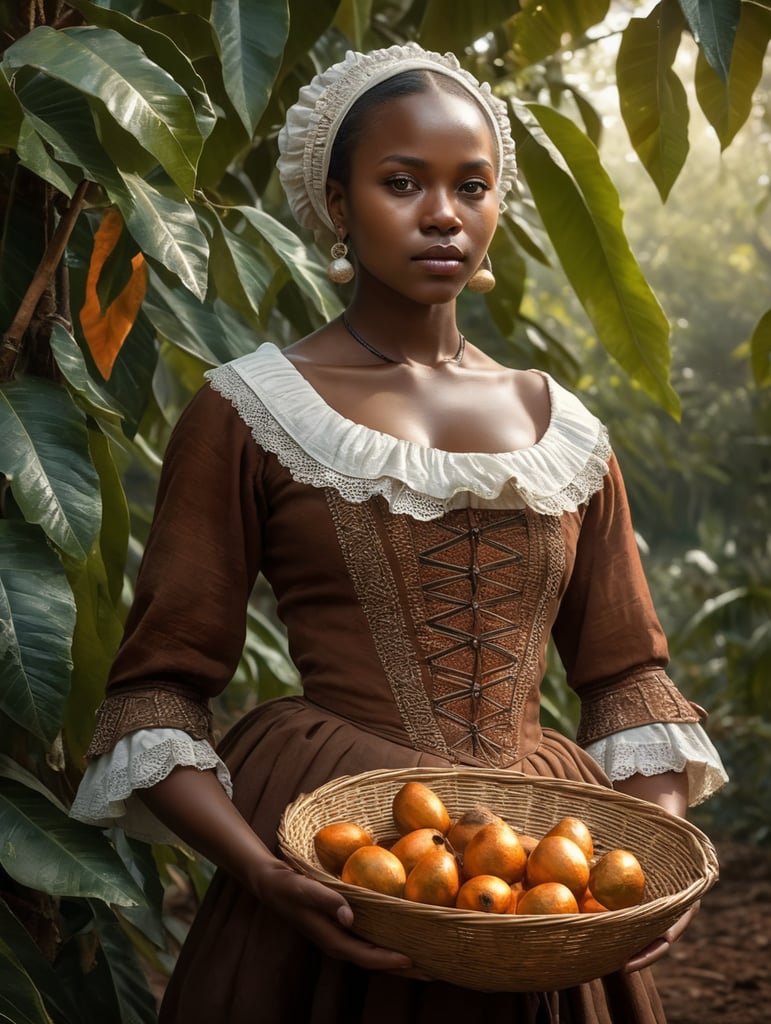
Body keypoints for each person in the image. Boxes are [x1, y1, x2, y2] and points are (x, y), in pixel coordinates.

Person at [71, 42, 728, 1023]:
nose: (443, 214)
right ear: (338, 205)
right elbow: (155, 695)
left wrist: (648, 860)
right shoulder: (250, 410)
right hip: (332, 841)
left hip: (541, 863)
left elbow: (628, 678)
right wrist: (260, 868)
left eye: (472, 186)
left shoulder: (566, 428)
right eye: (403, 182)